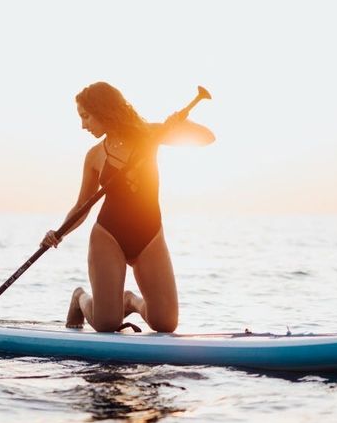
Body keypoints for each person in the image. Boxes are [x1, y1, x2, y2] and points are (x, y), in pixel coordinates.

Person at [41, 82, 214, 333]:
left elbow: (207, 138)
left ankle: (129, 300)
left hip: (150, 235)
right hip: (108, 235)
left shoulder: (150, 135)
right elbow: (82, 206)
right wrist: (58, 234)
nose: (83, 125)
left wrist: (182, 126)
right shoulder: (95, 156)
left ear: (104, 111)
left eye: (86, 116)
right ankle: (79, 297)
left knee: (165, 323)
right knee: (106, 323)